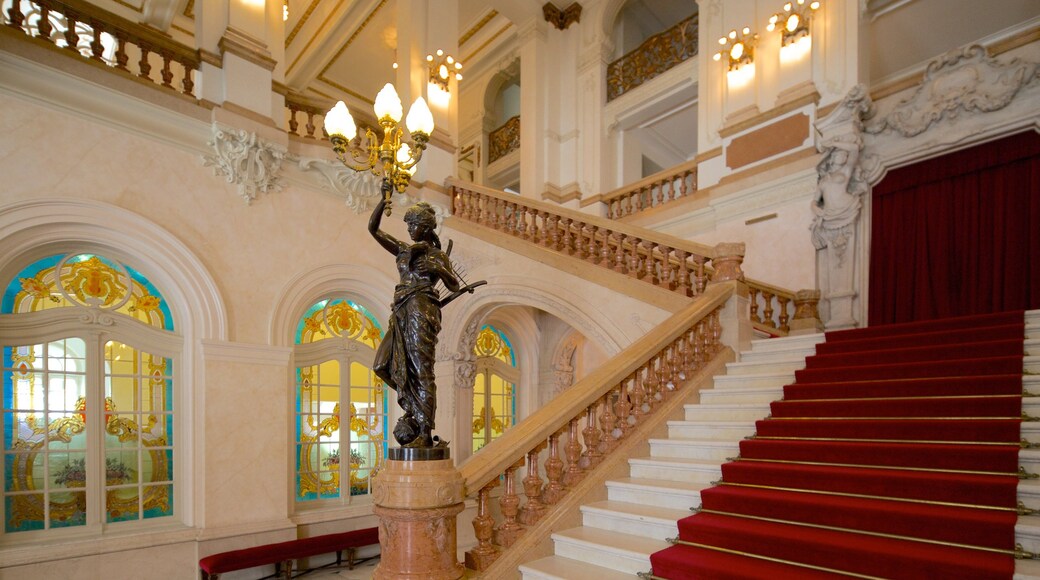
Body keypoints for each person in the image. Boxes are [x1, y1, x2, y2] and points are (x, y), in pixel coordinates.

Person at [369, 195, 462, 448]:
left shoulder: (436, 256)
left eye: (413, 225)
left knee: (422, 371)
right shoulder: (403, 249)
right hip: (399, 311)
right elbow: (373, 229)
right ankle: (411, 403)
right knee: (381, 365)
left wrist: (438, 267)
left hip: (422, 310)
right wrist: (381, 201)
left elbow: (453, 285)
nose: (409, 230)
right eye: (408, 225)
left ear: (426, 227)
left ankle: (423, 430)